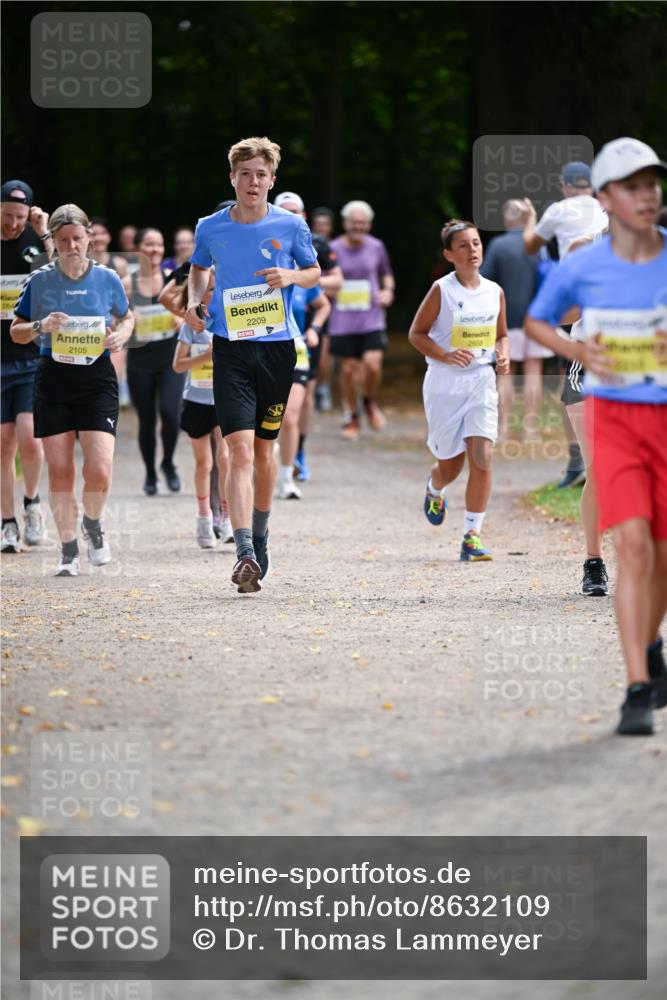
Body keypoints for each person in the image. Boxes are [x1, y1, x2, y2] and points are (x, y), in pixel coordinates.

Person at [525, 137, 667, 736]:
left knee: (659, 551)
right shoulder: (584, 262)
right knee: (630, 545)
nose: (647, 196)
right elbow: (536, 319)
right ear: (605, 198)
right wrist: (578, 349)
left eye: (653, 185)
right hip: (612, 416)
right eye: (633, 187)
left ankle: (650, 640)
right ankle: (637, 686)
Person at [185, 136, 320, 594]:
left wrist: (292, 276)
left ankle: (260, 535)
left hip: (277, 350)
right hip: (230, 349)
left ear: (272, 180)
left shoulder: (292, 225)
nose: (253, 181)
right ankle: (243, 551)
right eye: (246, 173)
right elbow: (199, 269)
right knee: (237, 451)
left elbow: (315, 272)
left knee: (265, 451)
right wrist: (193, 301)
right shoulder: (210, 227)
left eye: (261, 174)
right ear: (233, 177)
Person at [10, 204, 133, 576]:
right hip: (53, 379)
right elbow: (16, 330)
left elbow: (127, 317)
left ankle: (92, 525)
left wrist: (121, 335)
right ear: (55, 242)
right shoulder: (41, 280)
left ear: (89, 238)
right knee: (60, 471)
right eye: (63, 241)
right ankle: (67, 550)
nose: (71, 246)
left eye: (77, 239)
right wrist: (40, 325)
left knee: (99, 469)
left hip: (96, 379)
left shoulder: (107, 278)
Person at [408, 219, 509, 561]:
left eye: (477, 243)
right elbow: (416, 334)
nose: (472, 250)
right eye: (463, 245)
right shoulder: (442, 289)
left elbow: (502, 334)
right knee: (450, 466)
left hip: (481, 381)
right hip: (444, 384)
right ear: (450, 254)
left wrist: (504, 353)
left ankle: (472, 535)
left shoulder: (494, 291)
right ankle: (435, 487)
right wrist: (447, 355)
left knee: (482, 457)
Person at [523, 161, 609, 487]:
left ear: (564, 185)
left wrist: (530, 221)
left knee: (571, 387)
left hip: (576, 311)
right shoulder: (608, 213)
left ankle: (577, 461)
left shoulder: (559, 210)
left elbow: (530, 244)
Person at [273, 192, 341, 482]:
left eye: (296, 212)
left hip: (304, 334)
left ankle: (297, 451)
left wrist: (300, 279)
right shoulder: (265, 244)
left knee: (302, 399)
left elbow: (337, 282)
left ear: (304, 215)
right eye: (285, 211)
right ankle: (273, 454)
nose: (292, 216)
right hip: (267, 338)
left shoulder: (317, 245)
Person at [1, 179, 51, 553]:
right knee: (3, 445)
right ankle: (7, 523)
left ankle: (32, 503)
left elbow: (58, 277)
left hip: (29, 357)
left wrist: (44, 231)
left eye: (20, 217)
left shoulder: (33, 242)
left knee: (30, 439)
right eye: (7, 216)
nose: (13, 224)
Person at [480, 199, 551, 441]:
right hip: (536, 319)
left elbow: (484, 281)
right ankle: (531, 430)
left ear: (506, 219)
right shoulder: (538, 246)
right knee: (533, 372)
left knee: (505, 374)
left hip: (505, 321)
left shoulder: (498, 246)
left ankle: (503, 430)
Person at [173, 273, 233, 547]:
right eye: (209, 289)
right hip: (196, 400)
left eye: (217, 288)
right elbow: (178, 365)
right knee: (204, 463)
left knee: (225, 458)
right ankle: (203, 518)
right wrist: (206, 357)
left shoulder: (230, 319)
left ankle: (226, 517)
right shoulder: (193, 325)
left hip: (223, 399)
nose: (214, 293)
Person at [123, 227, 183, 495]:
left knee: (171, 414)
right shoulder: (127, 283)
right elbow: (115, 319)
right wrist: (127, 320)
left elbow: (189, 313)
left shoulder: (174, 279)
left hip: (169, 357)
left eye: (159, 245)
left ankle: (168, 463)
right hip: (140, 360)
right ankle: (149, 472)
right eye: (148, 245)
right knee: (146, 419)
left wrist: (181, 320)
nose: (155, 250)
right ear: (137, 249)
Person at [329, 200, 395, 439]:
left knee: (372, 365)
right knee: (347, 370)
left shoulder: (377, 247)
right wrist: (327, 288)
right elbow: (323, 277)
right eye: (354, 222)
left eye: (363, 223)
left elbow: (386, 275)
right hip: (342, 320)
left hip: (371, 318)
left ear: (369, 224)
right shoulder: (332, 247)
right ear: (345, 223)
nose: (358, 226)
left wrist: (388, 291)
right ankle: (353, 415)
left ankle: (368, 400)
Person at [90, 217, 130, 407]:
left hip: (112, 328)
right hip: (87, 330)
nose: (98, 237)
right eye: (93, 233)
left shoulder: (119, 263)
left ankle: (109, 407)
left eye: (101, 233)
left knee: (111, 374)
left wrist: (117, 320)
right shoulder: (81, 265)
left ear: (108, 236)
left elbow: (127, 298)